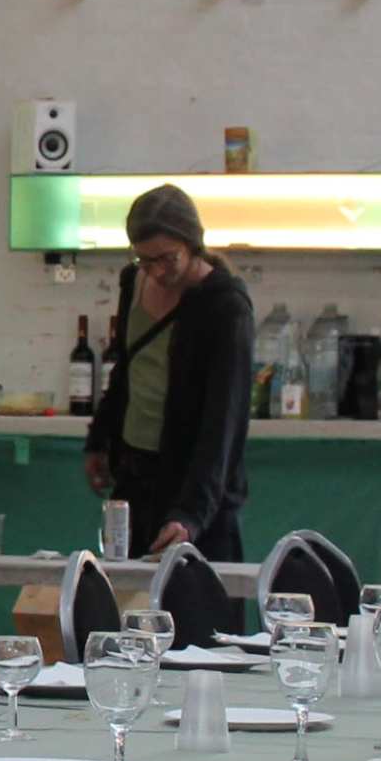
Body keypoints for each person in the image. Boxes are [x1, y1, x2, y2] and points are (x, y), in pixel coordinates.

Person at [84, 183, 258, 561]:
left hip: (194, 490)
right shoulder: (133, 283)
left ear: (192, 244)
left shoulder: (226, 307)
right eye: (145, 260)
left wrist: (191, 514)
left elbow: (223, 421)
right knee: (129, 608)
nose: (158, 272)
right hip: (135, 478)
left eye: (167, 258)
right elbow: (128, 369)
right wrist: (99, 438)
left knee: (196, 614)